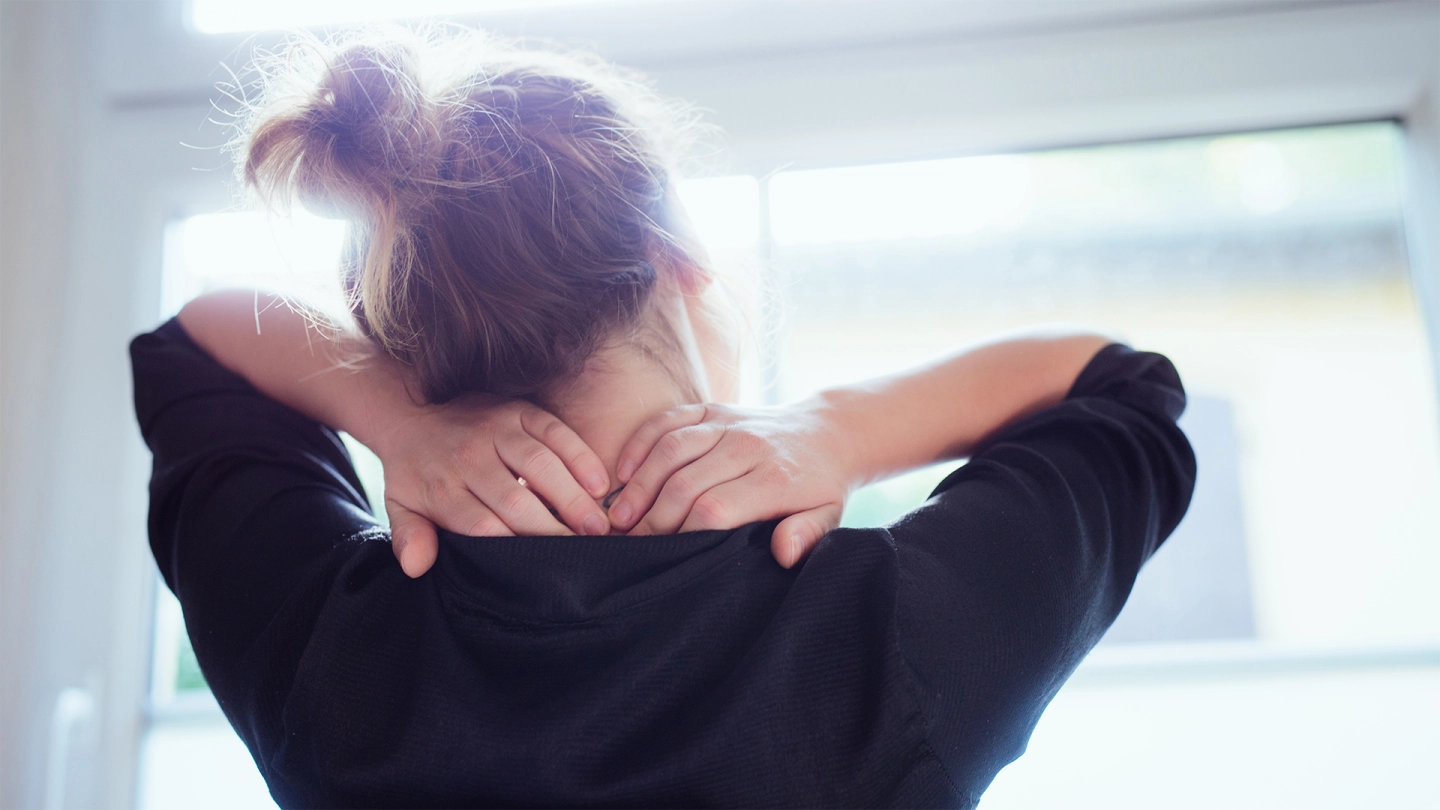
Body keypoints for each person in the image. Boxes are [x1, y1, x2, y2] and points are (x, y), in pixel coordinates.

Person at [130, 27, 1196, 809]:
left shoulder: (332, 652)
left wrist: (394, 415)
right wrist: (839, 428)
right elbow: (1126, 389)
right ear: (674, 258)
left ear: (414, 339)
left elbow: (191, 346)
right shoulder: (890, 644)